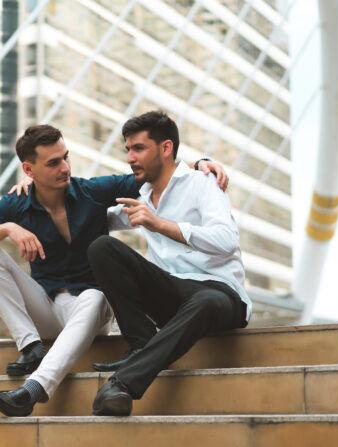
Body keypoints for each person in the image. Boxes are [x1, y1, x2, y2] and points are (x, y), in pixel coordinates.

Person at [0, 124, 227, 417]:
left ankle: (34, 389)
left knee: (95, 297)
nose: (65, 168)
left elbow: (158, 173)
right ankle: (31, 346)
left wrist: (198, 163)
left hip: (90, 312)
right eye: (53, 163)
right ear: (29, 170)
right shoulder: (16, 204)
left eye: (65, 157)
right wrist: (8, 228)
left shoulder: (92, 192)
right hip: (47, 307)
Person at [87, 110, 251, 416]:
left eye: (138, 148)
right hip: (172, 295)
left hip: (219, 293)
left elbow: (226, 239)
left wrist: (160, 224)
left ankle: (122, 385)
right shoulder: (142, 196)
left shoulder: (202, 183)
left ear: (165, 148)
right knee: (102, 248)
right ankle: (141, 344)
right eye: (128, 150)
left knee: (205, 301)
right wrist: (41, 194)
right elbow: (91, 219)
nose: (130, 157)